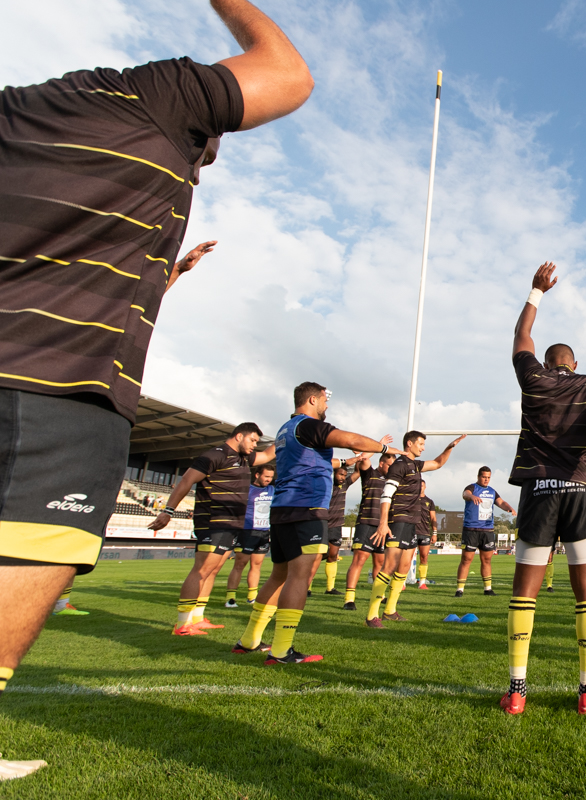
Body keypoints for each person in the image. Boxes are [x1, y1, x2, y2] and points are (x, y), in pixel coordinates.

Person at [0, 0, 313, 779]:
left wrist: (170, 272)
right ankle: (195, 618)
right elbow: (284, 73)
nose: (208, 158)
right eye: (209, 142)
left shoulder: (20, 124)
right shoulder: (147, 97)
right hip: (58, 388)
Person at [501, 262, 586, 716]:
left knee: (525, 591)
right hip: (580, 489)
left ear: (548, 363)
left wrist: (536, 291)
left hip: (538, 489)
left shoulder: (532, 377)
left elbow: (521, 335)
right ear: (575, 363)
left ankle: (517, 691)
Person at [232, 382, 400, 663]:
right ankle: (281, 650)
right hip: (306, 509)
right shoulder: (307, 425)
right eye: (324, 400)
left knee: (278, 576)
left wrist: (351, 460)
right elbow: (350, 439)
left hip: (283, 508)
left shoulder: (286, 429)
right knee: (299, 577)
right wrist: (385, 447)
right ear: (312, 399)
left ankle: (249, 640)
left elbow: (316, 459)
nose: (326, 405)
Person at [152, 423, 275, 634]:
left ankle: (197, 618)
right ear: (239, 436)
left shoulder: (242, 458)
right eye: (253, 440)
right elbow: (186, 480)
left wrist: (290, 434)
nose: (255, 445)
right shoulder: (215, 455)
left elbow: (267, 455)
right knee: (202, 570)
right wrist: (169, 511)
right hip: (214, 522)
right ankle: (182, 624)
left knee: (212, 571)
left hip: (231, 525)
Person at [369, 431, 465, 625]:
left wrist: (450, 447)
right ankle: (371, 615)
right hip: (398, 521)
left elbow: (437, 463)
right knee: (389, 567)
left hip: (411, 524)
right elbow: (386, 495)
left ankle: (390, 610)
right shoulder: (399, 465)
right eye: (420, 444)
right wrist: (383, 523)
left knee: (404, 567)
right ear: (409, 444)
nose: (423, 447)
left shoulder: (415, 465)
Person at [343, 453, 394, 610]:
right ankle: (349, 599)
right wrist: (381, 445)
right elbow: (364, 458)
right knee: (359, 560)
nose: (391, 469)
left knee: (379, 562)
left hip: (382, 527)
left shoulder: (392, 481)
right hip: (366, 523)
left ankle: (380, 596)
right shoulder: (370, 474)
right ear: (381, 463)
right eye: (389, 465)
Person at [456, 467, 515, 597]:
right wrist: (472, 496)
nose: (486, 479)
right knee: (466, 559)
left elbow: (501, 502)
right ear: (478, 476)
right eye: (484, 477)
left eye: (488, 477)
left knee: (487, 560)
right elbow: (465, 494)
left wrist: (509, 508)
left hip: (487, 530)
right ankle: (460, 589)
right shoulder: (472, 487)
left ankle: (488, 589)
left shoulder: (492, 491)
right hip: (471, 529)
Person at [224, 464, 276, 608]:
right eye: (266, 476)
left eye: (271, 477)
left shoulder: (272, 489)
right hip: (247, 531)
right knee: (240, 564)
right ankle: (230, 598)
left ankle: (252, 597)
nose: (269, 480)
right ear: (257, 475)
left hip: (264, 532)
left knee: (257, 565)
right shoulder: (247, 490)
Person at [308, 459, 360, 597]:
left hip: (337, 526)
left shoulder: (345, 485)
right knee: (316, 556)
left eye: (344, 475)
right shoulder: (326, 485)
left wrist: (359, 457)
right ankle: (307, 587)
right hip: (322, 524)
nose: (342, 477)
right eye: (340, 474)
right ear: (334, 474)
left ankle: (330, 588)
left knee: (333, 556)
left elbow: (358, 472)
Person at [413, 481, 438, 589]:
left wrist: (434, 533)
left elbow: (433, 518)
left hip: (425, 533)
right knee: (406, 558)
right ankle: (402, 583)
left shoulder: (429, 501)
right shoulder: (411, 498)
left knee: (424, 557)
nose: (420, 487)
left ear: (425, 487)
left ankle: (422, 582)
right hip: (411, 532)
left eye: (422, 485)